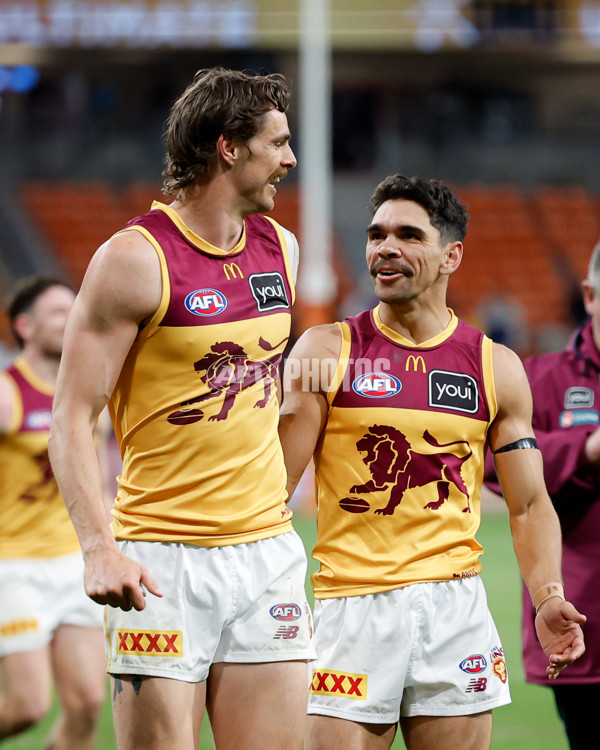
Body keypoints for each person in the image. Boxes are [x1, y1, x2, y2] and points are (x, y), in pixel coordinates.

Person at [48, 68, 314, 750]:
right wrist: (98, 549)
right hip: (163, 565)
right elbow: (73, 415)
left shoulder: (281, 249)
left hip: (266, 557)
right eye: (278, 143)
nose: (290, 159)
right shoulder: (133, 261)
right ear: (229, 148)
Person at [278, 174, 586, 750]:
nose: (384, 248)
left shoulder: (495, 366)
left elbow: (527, 503)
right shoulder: (326, 351)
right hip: (353, 609)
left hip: (456, 610)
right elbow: (273, 495)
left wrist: (547, 596)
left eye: (407, 235)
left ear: (452, 255)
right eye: (376, 235)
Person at [485, 240, 600, 750]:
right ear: (591, 296)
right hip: (585, 626)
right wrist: (588, 449)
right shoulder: (541, 378)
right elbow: (491, 463)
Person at [0, 276, 106, 749]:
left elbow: (98, 481)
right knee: (28, 707)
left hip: (73, 562)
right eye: (58, 313)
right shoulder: (8, 394)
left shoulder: (87, 396)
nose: (71, 320)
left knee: (86, 704)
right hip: (13, 566)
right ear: (25, 326)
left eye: (74, 309)